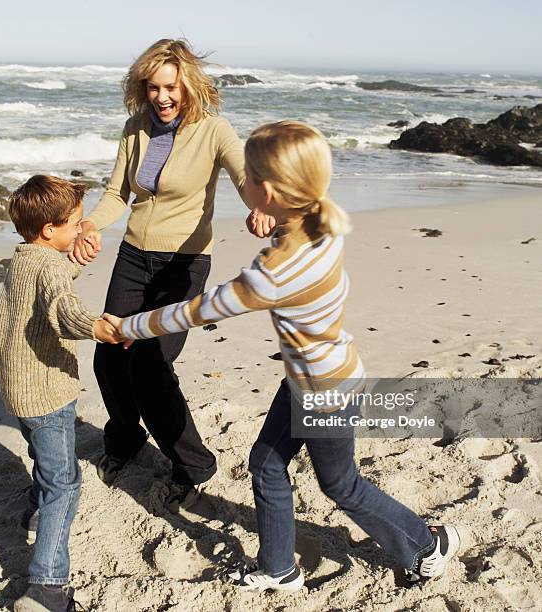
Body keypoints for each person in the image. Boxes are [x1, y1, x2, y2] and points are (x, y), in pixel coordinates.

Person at [104, 121, 461, 592]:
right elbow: (292, 220)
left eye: (248, 179)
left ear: (267, 191)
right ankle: (278, 568)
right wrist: (272, 219)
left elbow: (200, 309)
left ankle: (425, 545)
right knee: (266, 464)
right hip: (313, 374)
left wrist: (127, 327)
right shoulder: (321, 220)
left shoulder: (274, 274)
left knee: (341, 486)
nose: (243, 184)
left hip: (323, 389)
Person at [70, 38, 273, 510]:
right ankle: (123, 441)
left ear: (189, 87)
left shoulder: (215, 130)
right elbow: (119, 193)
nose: (162, 97)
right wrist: (88, 225)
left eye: (171, 88)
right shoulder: (135, 128)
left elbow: (246, 177)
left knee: (150, 366)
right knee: (110, 356)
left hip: (183, 264)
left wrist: (261, 207)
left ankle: (193, 465)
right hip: (134, 257)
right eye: (153, 87)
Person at [0, 175, 120, 612]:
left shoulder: (24, 258)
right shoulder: (48, 267)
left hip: (18, 390)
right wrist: (97, 328)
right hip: (47, 394)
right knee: (64, 485)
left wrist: (76, 260)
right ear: (50, 230)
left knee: (42, 461)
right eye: (76, 224)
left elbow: (47, 286)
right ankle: (47, 587)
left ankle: (31, 513)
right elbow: (62, 308)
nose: (82, 230)